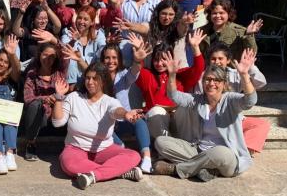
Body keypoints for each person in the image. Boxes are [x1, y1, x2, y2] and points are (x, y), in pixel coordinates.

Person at [153, 51, 258, 182]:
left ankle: (176, 169)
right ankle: (207, 169)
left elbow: (250, 101)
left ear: (224, 84)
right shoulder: (197, 100)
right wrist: (172, 75)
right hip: (199, 151)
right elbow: (174, 96)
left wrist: (244, 75)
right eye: (208, 79)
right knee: (161, 142)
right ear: (203, 83)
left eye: (216, 80)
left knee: (220, 153)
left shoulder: (230, 100)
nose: (211, 83)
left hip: (227, 156)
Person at [52, 63, 144, 189]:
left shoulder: (109, 101)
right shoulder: (74, 97)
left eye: (95, 78)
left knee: (134, 156)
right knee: (69, 164)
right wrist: (58, 97)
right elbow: (58, 123)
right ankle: (119, 172)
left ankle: (94, 175)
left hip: (104, 149)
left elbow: (117, 110)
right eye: (88, 78)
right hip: (76, 148)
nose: (90, 82)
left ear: (103, 81)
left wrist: (126, 114)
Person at [135, 30, 206, 138]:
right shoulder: (147, 75)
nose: (159, 64)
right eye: (156, 60)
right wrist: (137, 59)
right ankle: (166, 146)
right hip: (159, 120)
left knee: (185, 107)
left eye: (164, 59)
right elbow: (136, 71)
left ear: (171, 58)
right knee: (155, 111)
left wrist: (195, 47)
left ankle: (187, 146)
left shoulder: (180, 74)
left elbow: (198, 69)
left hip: (179, 119)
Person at [204, 44, 269, 155]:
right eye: (213, 59)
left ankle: (243, 153)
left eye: (220, 58)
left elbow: (261, 83)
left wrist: (250, 68)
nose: (217, 62)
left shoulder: (236, 74)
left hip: (233, 118)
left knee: (261, 124)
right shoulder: (205, 76)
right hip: (211, 119)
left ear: (228, 60)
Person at [101, 38, 153, 173]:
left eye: (114, 57)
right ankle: (122, 151)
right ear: (102, 60)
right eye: (107, 58)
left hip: (124, 119)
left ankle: (146, 158)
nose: (110, 61)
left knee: (139, 121)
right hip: (107, 124)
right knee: (102, 127)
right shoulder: (98, 77)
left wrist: (137, 61)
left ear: (119, 59)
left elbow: (134, 72)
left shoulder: (123, 75)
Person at [22, 43, 68, 161]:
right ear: (39, 55)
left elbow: (65, 52)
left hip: (57, 116)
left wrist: (57, 97)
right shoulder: (32, 75)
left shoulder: (59, 73)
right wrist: (45, 99)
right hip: (39, 118)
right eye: (45, 55)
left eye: (52, 56)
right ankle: (31, 144)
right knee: (34, 104)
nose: (48, 59)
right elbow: (28, 98)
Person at [113, 0, 162, 65]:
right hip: (126, 43)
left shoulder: (157, 2)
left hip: (148, 43)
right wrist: (115, 4)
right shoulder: (125, 2)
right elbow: (116, 20)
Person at [60, 5, 107, 86]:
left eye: (85, 19)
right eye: (79, 18)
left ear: (92, 22)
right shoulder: (68, 33)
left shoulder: (98, 34)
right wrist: (73, 40)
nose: (81, 22)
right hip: (72, 81)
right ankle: (71, 87)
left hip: (92, 79)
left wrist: (108, 44)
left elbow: (103, 49)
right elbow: (63, 50)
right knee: (71, 59)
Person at [146, 0, 192, 68]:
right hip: (154, 70)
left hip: (178, 71)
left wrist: (183, 22)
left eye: (171, 14)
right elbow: (143, 27)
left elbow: (182, 28)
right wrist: (130, 26)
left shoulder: (178, 28)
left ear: (175, 15)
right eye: (164, 13)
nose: (167, 17)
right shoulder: (151, 26)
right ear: (158, 13)